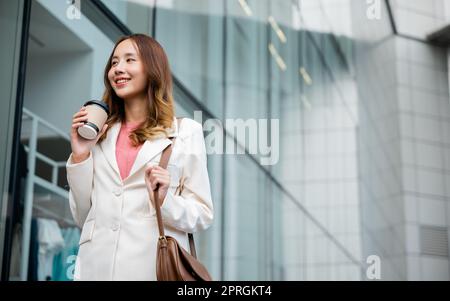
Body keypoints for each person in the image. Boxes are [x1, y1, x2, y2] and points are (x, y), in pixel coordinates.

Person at [66, 34, 214, 281]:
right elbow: (83, 216)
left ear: (152, 69)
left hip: (152, 269)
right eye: (114, 63)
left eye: (129, 60)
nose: (118, 69)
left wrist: (165, 200)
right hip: (96, 269)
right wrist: (81, 155)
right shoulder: (100, 133)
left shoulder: (186, 132)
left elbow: (202, 214)